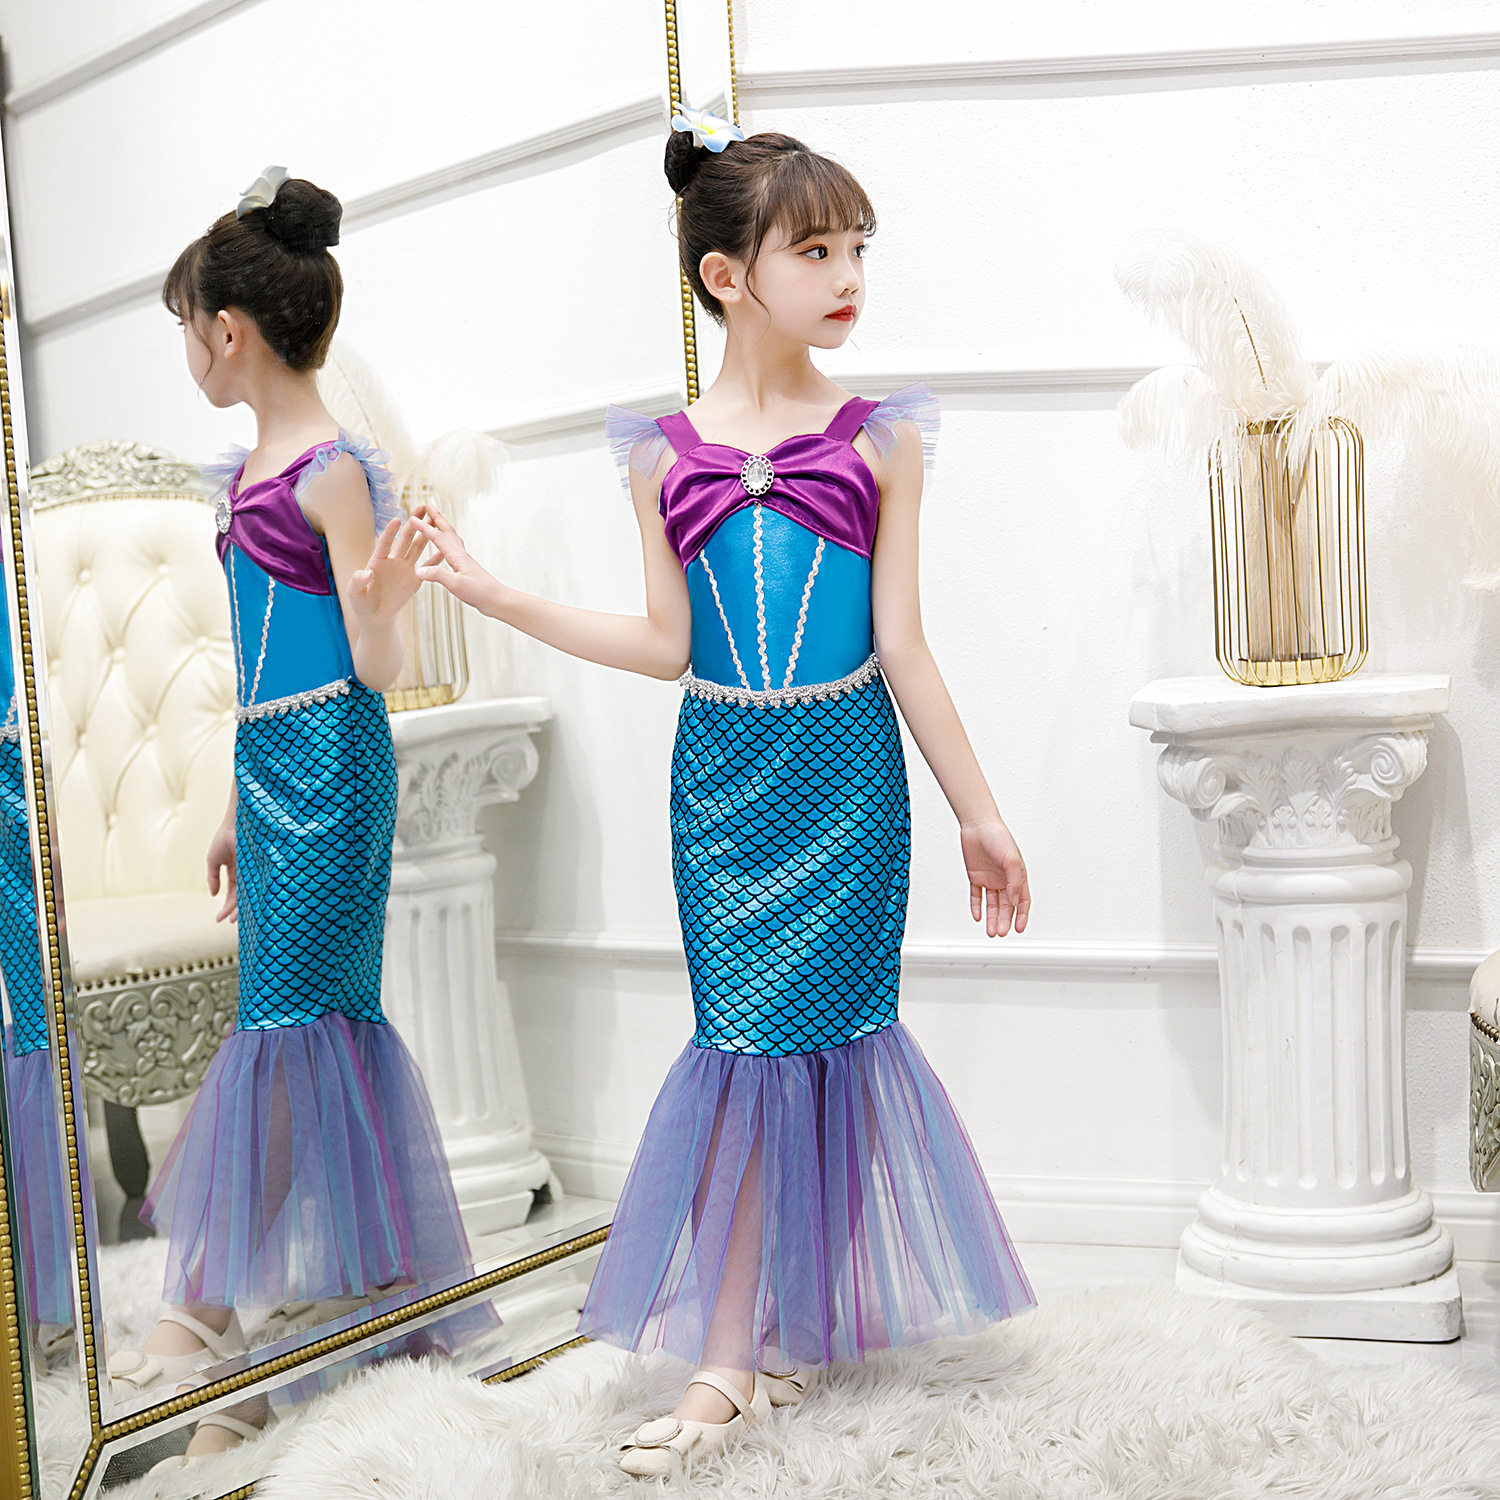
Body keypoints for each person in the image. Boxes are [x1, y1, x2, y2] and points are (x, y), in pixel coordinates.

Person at [409, 113, 1036, 1476]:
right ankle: (747, 1353)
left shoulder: (881, 440)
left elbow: (905, 643)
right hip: (723, 787)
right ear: (727, 275)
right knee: (743, 1050)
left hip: (847, 779)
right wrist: (497, 594)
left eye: (858, 247)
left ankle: (742, 1355)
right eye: (817, 250)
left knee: (823, 1043)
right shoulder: (660, 454)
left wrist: (979, 813)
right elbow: (664, 643)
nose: (849, 274)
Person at [110, 168, 474, 1459]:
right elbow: (261, 666)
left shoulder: (331, 472)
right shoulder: (252, 469)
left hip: (333, 771)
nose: (189, 350)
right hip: (269, 770)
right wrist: (228, 803)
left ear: (229, 332)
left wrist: (388, 598)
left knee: (288, 1030)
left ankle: (208, 1311)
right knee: (308, 1031)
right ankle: (359, 1306)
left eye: (187, 327)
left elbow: (371, 666)